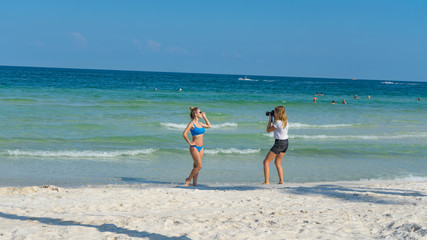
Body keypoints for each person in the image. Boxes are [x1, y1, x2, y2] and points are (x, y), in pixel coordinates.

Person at [182, 107, 211, 186]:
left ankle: (194, 184)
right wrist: (190, 143)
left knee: (196, 166)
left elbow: (209, 126)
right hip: (194, 147)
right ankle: (188, 179)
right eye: (200, 112)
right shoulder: (192, 124)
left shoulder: (200, 123)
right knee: (199, 166)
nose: (201, 113)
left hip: (201, 147)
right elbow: (184, 134)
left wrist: (205, 117)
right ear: (195, 114)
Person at [263, 106, 289, 184]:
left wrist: (270, 120)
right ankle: (281, 181)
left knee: (266, 162)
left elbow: (268, 130)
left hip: (279, 143)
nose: (273, 113)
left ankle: (266, 181)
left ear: (277, 113)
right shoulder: (286, 121)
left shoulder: (277, 123)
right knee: (278, 162)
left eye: (274, 112)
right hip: (285, 143)